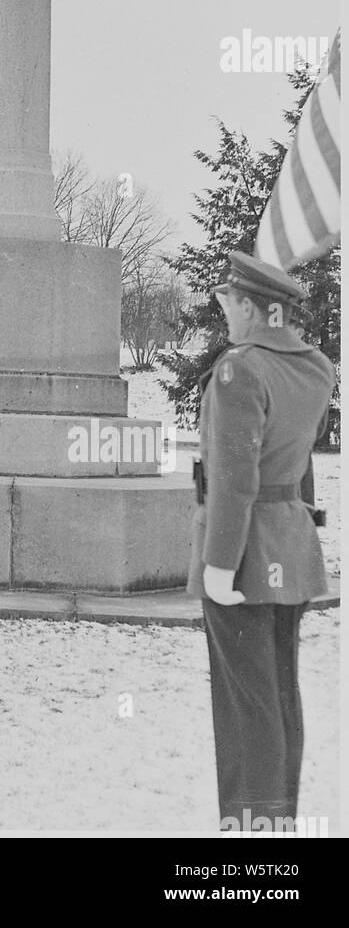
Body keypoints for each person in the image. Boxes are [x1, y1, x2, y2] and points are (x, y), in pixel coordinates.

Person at [187, 250, 335, 834]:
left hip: (243, 553)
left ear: (251, 307)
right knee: (277, 697)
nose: (226, 314)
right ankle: (276, 826)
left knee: (246, 706)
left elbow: (234, 477)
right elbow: (296, 460)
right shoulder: (317, 367)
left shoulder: (239, 369)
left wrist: (218, 563)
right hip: (290, 547)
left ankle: (252, 847)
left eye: (229, 303)